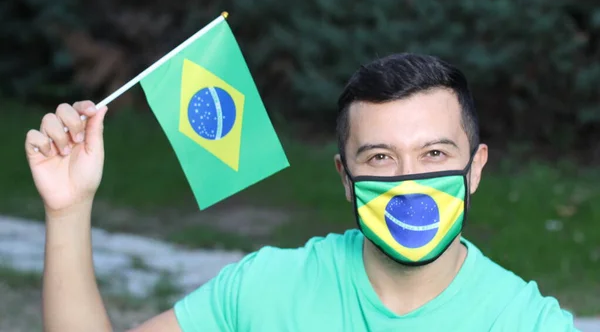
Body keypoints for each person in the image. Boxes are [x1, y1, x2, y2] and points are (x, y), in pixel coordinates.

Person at [25, 53, 578, 331]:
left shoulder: (526, 323)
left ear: (475, 167)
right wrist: (68, 209)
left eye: (434, 155)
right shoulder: (267, 288)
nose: (409, 181)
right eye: (380, 158)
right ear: (345, 177)